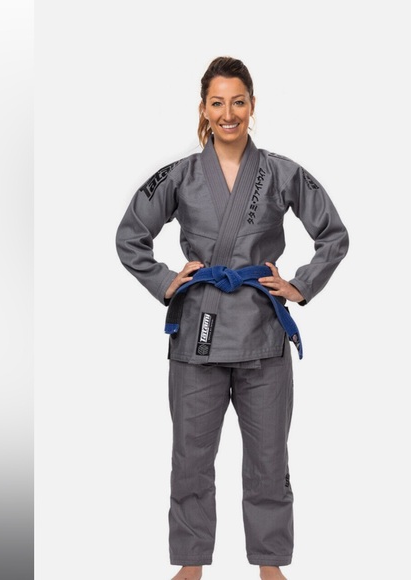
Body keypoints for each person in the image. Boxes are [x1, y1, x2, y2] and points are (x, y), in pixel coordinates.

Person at [116, 56, 349, 580]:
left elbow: (334, 235)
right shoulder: (178, 176)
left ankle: (270, 565)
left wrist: (300, 285)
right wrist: (165, 280)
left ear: (252, 105)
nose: (228, 113)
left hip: (262, 333)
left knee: (268, 459)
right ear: (203, 108)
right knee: (191, 459)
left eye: (238, 102)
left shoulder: (281, 172)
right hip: (198, 334)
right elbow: (130, 236)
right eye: (217, 103)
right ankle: (191, 563)